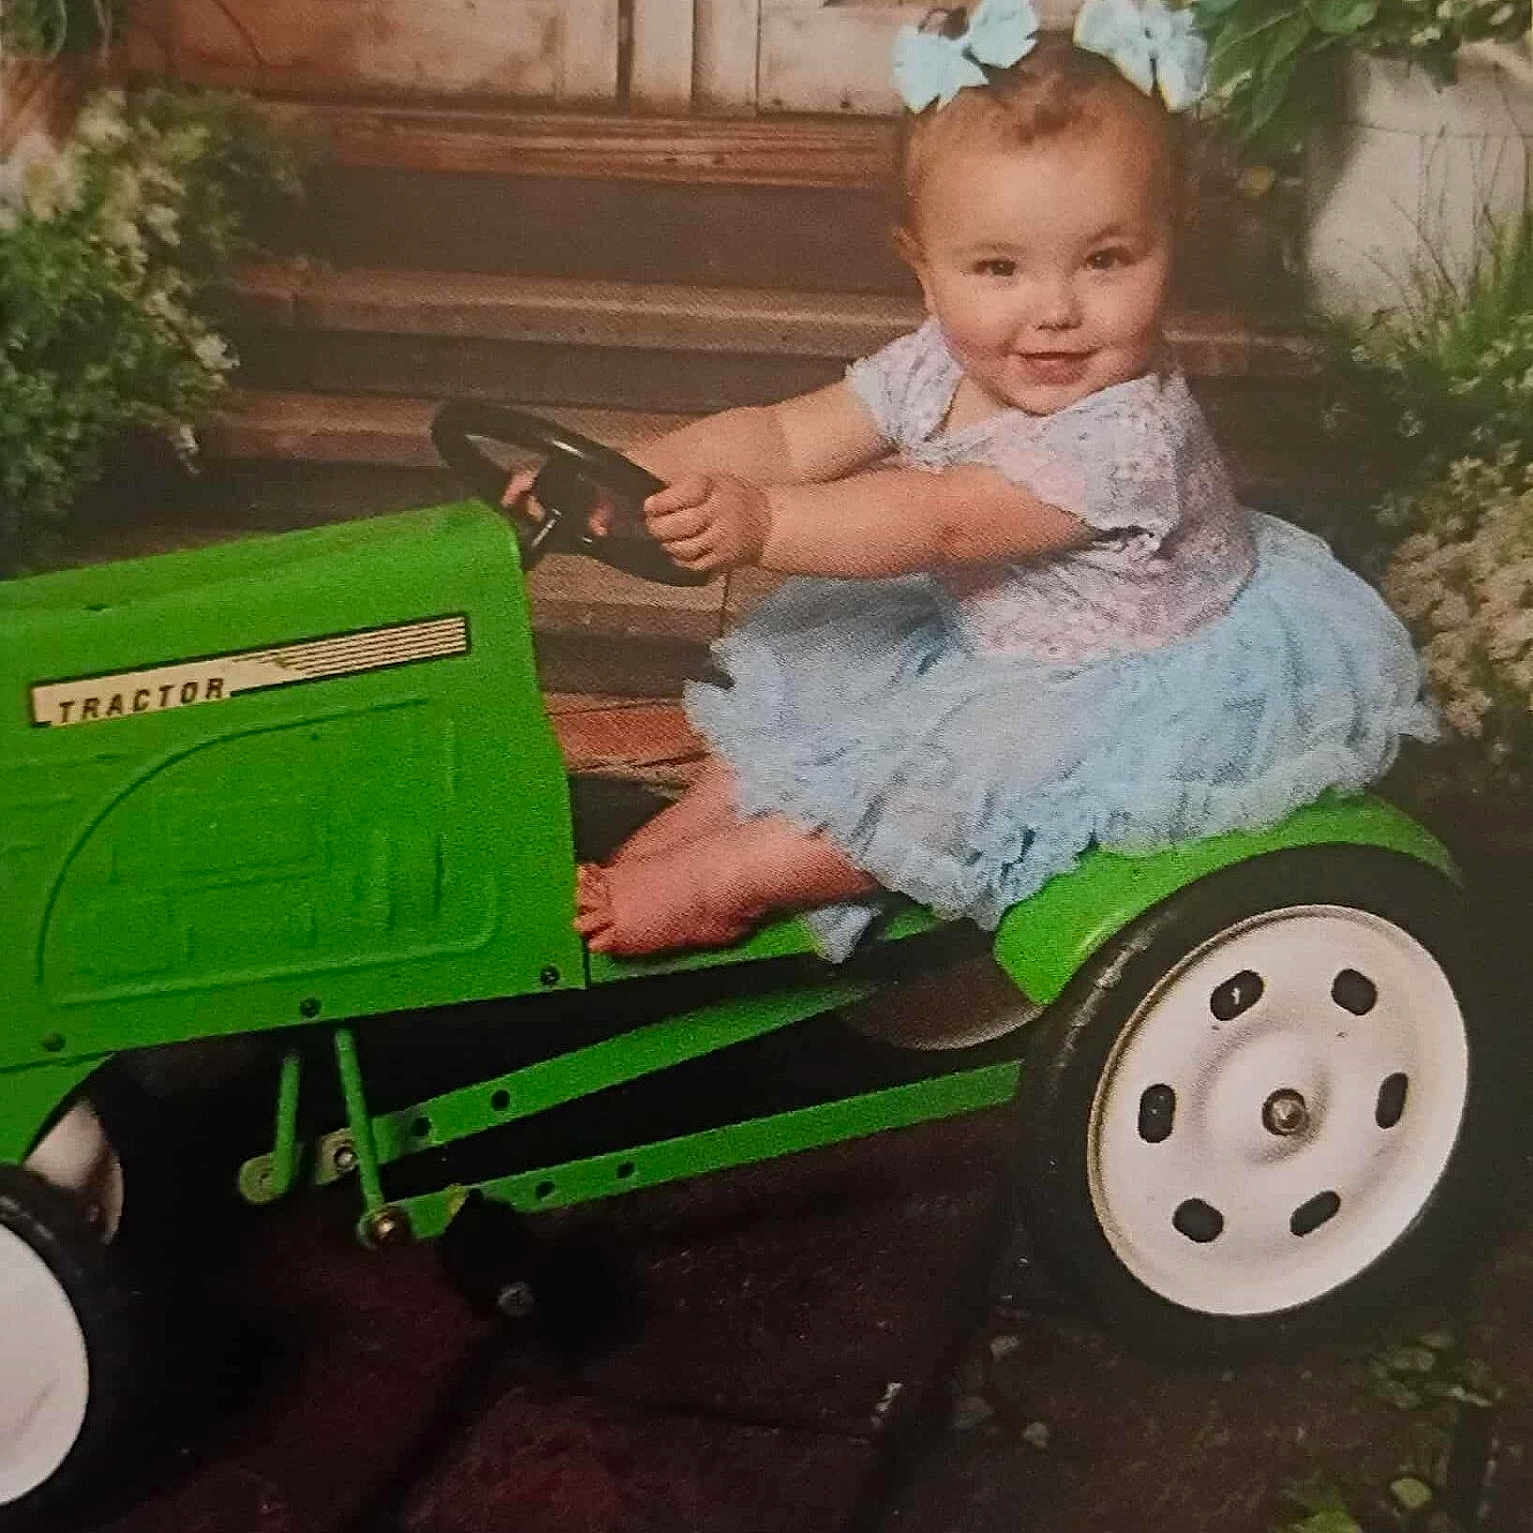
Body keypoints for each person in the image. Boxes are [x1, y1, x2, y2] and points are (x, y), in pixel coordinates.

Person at [509, 0, 1437, 960]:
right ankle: (686, 833)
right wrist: (628, 473)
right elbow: (782, 437)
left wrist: (761, 526)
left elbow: (942, 521)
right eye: (998, 268)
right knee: (801, 722)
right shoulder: (939, 364)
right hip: (988, 634)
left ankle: (733, 879)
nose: (1055, 312)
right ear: (924, 268)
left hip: (1115, 682)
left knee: (943, 789)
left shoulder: (1131, 436)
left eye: (1106, 260)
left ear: (1173, 239)